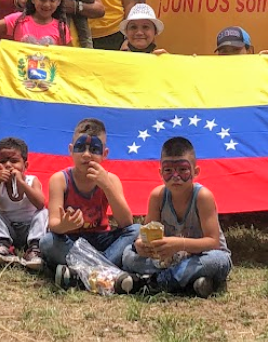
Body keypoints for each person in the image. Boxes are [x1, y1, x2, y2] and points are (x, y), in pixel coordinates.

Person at [119, 136, 232, 297]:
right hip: (169, 259)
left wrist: (180, 244)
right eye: (168, 171)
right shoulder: (157, 196)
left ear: (196, 172)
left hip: (201, 256)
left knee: (217, 261)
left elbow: (213, 242)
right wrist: (141, 246)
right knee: (128, 256)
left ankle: (157, 282)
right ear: (160, 173)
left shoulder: (202, 197)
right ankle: (191, 283)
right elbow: (145, 234)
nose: (175, 177)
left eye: (183, 170)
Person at [40, 118, 139, 289]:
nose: (86, 155)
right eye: (80, 148)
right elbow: (54, 224)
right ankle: (106, 272)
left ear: (104, 154)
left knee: (136, 230)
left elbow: (126, 223)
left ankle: (80, 275)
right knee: (47, 242)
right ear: (71, 151)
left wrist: (106, 185)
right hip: (72, 241)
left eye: (94, 149)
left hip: (101, 239)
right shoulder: (60, 180)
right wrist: (64, 225)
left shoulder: (111, 179)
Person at [0, 137, 46, 270]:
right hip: (9, 230)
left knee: (45, 212)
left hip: (30, 229)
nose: (8, 165)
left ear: (25, 166)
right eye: (3, 162)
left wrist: (21, 183)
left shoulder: (32, 181)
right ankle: (5, 246)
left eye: (14, 161)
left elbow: (40, 204)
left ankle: (34, 249)